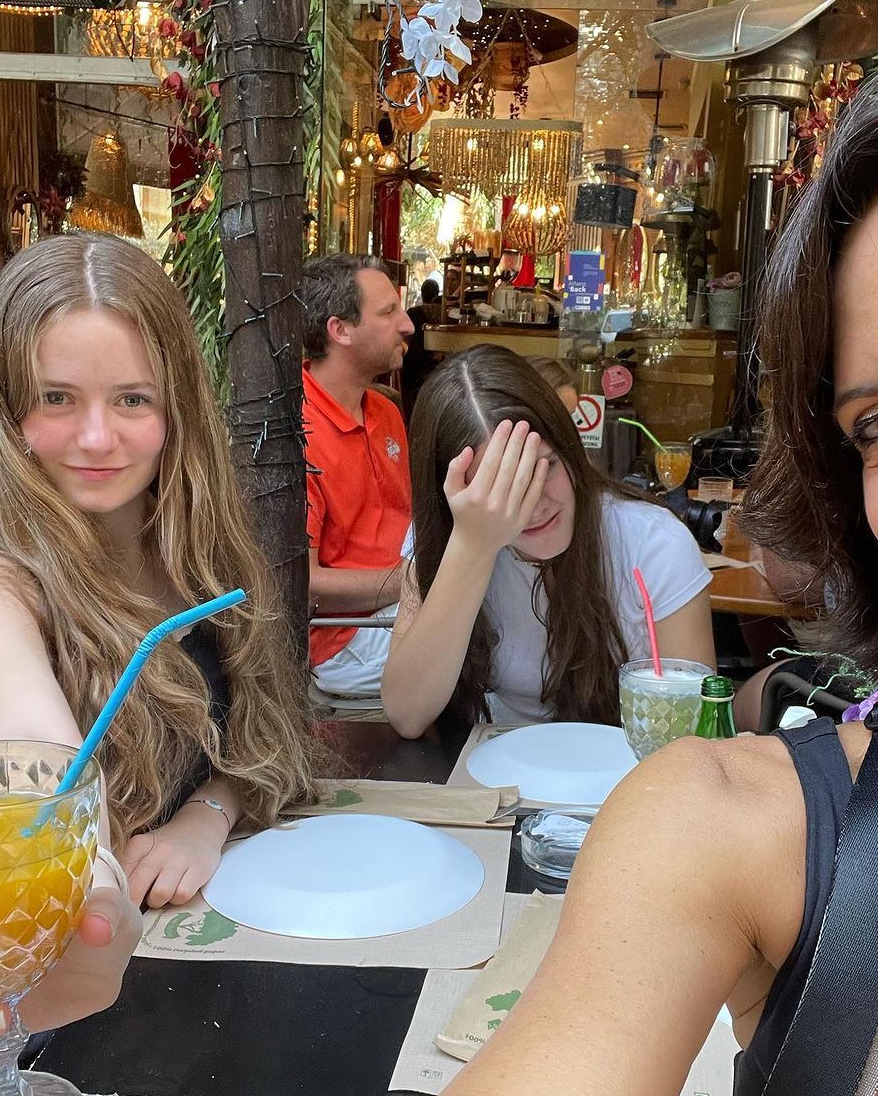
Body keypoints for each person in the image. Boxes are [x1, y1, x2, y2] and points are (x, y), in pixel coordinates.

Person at [282, 45, 878, 1096]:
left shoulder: (647, 548)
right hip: (508, 841)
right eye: (877, 424)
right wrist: (471, 548)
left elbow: (688, 717)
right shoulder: (772, 834)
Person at [0, 233, 383, 1096]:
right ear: (7, 409)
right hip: (8, 1080)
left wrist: (205, 815)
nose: (97, 437)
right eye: (57, 399)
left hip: (175, 1012)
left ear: (176, 407)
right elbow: (38, 753)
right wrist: (93, 886)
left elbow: (262, 741)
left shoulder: (194, 555)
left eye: (131, 399)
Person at [382, 344, 715, 737]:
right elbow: (408, 715)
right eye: (500, 487)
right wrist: (472, 547)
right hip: (495, 762)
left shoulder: (655, 543)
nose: (535, 504)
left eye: (546, 467)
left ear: (570, 449)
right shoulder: (447, 538)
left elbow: (696, 728)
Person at [299, 254, 414, 702]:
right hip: (344, 638)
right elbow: (303, 585)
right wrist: (418, 580)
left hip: (399, 603)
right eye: (388, 312)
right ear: (340, 330)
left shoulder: (383, 409)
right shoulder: (297, 432)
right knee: (483, 639)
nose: (407, 325)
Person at [401, 277, 443, 420]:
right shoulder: (446, 313)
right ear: (437, 293)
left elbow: (405, 339)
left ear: (422, 293)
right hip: (437, 367)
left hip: (414, 366)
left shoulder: (413, 313)